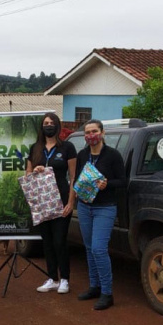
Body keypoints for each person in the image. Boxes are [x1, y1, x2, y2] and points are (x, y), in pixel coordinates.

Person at [73, 120, 125, 311]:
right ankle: (94, 286)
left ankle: (107, 292)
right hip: (85, 207)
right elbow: (78, 177)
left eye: (94, 131)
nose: (91, 135)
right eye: (87, 132)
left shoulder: (113, 155)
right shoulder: (82, 155)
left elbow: (123, 181)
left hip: (105, 207)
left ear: (102, 133)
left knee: (98, 249)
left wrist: (107, 184)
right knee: (88, 248)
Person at [25, 113, 77, 294]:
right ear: (42, 126)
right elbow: (28, 176)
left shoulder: (67, 147)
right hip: (42, 202)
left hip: (61, 201)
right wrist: (36, 171)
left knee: (59, 241)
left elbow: (73, 177)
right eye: (45, 123)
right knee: (47, 241)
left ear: (57, 125)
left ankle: (65, 279)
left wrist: (71, 202)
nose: (48, 125)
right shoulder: (35, 148)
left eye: (51, 123)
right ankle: (52, 278)